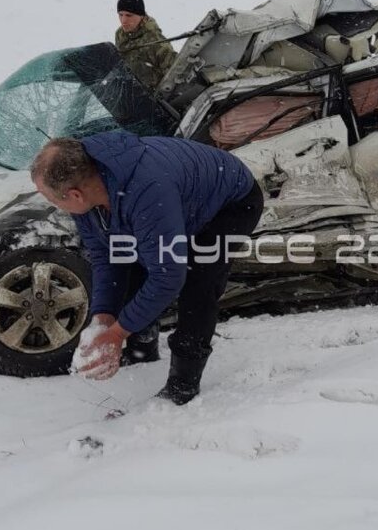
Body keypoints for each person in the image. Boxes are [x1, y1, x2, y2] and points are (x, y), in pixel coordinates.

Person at [31, 133, 264, 404]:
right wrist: (102, 319)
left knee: (197, 282)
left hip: (230, 204)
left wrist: (118, 333)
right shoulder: (89, 188)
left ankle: (183, 384)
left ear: (75, 194)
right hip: (176, 203)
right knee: (133, 264)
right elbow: (106, 256)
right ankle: (142, 349)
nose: (55, 207)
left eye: (53, 200)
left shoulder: (146, 190)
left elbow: (168, 277)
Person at [114, 0, 175, 90]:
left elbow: (173, 74)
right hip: (128, 91)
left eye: (129, 15)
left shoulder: (156, 41)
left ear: (141, 15)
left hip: (151, 98)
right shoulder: (120, 34)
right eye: (120, 15)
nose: (123, 20)